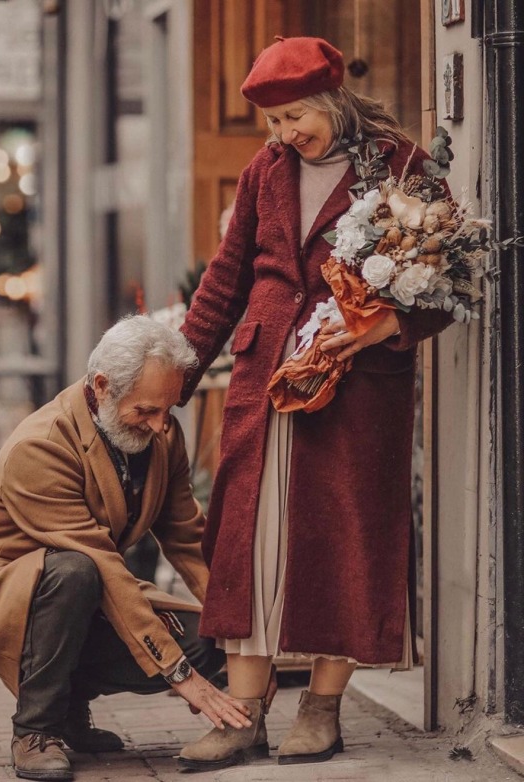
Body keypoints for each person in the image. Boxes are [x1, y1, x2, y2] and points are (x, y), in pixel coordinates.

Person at [177, 37, 453, 771]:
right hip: (263, 373)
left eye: (295, 116)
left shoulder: (401, 168)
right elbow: (224, 280)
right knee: (248, 540)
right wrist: (177, 369)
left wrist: (379, 330)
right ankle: (241, 718)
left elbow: (446, 284)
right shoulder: (265, 173)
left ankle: (322, 709)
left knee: (345, 539)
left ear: (332, 102)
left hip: (358, 387)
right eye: (272, 122)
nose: (284, 134)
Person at [0, 315, 253, 782]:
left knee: (205, 640)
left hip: (91, 592)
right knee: (75, 571)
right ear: (103, 386)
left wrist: (241, 636)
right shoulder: (40, 445)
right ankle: (36, 728)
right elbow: (104, 566)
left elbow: (188, 538)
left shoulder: (161, 435)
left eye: (169, 409)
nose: (160, 424)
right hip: (4, 598)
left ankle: (67, 703)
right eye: (147, 410)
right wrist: (180, 676)